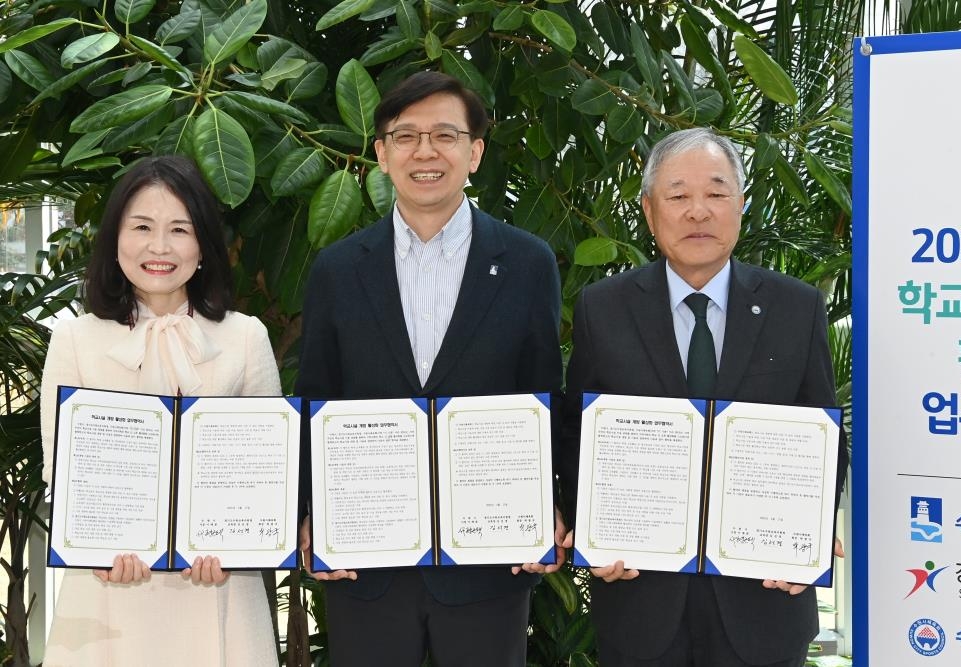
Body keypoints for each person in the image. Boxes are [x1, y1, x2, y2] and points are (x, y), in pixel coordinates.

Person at [295, 70, 566, 666]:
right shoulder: (338, 271)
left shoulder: (527, 264)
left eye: (445, 135)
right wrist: (309, 516)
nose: (425, 152)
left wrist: (552, 504)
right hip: (364, 560)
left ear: (475, 153)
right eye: (407, 135)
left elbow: (545, 396)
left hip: (489, 562)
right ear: (382, 154)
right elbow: (315, 399)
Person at [559, 128, 849, 667]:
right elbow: (578, 434)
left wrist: (808, 533)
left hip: (763, 597)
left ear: (741, 206)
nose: (699, 212)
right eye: (678, 196)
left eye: (716, 194)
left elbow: (824, 436)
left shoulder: (795, 307)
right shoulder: (604, 308)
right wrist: (591, 531)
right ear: (649, 212)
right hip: (640, 596)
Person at [39, 155, 281, 665]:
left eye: (180, 229)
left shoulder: (245, 337)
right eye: (142, 227)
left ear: (204, 246)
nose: (159, 247)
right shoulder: (73, 338)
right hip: (105, 601)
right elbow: (60, 472)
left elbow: (269, 476)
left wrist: (238, 552)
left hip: (219, 595)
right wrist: (95, 549)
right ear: (115, 238)